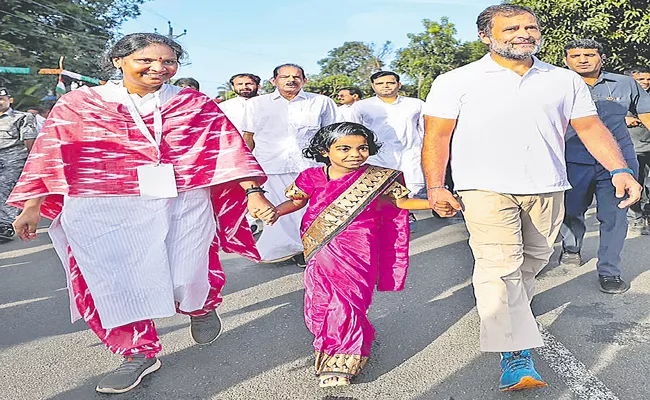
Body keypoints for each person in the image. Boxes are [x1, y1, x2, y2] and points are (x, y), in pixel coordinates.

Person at [8, 33, 276, 394]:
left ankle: (200, 304)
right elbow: (49, 153)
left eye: (168, 61)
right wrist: (32, 206)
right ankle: (137, 352)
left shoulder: (192, 103)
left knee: (187, 266)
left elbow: (226, 148)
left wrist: (253, 193)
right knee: (115, 280)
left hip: (181, 197)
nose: (159, 68)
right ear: (118, 61)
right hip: (100, 203)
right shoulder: (78, 103)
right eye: (146, 60)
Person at [422, 4, 641, 392]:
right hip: (483, 186)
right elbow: (437, 136)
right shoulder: (456, 80)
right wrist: (436, 185)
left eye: (530, 27)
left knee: (532, 262)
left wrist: (620, 169)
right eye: (511, 28)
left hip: (547, 185)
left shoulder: (562, 79)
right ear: (486, 36)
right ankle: (515, 353)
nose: (524, 33)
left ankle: (508, 313)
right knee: (499, 264)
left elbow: (589, 127)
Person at [266, 122, 446, 387]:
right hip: (320, 246)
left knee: (348, 300)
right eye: (344, 148)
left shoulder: (379, 177)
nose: (355, 154)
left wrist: (436, 202)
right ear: (324, 150)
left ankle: (344, 357)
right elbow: (297, 200)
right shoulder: (311, 177)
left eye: (362, 148)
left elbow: (401, 202)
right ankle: (334, 340)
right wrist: (275, 211)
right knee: (321, 298)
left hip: (361, 247)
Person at [561, 39, 650, 293]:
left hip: (618, 163)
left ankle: (609, 271)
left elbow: (646, 114)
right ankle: (571, 247)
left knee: (615, 216)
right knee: (571, 209)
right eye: (575, 55)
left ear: (602, 57)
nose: (582, 59)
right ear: (566, 60)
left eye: (589, 54)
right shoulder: (557, 85)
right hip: (573, 160)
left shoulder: (625, 84)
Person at [242, 63, 341, 266]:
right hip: (271, 165)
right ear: (274, 81)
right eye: (284, 76)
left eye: (296, 77)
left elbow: (332, 135)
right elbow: (248, 137)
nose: (291, 80)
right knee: (279, 212)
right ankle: (283, 249)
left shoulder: (321, 102)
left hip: (310, 166)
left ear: (304, 80)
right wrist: (245, 166)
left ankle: (311, 249)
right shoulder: (256, 104)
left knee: (312, 210)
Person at [350, 71, 426, 231]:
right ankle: (388, 221)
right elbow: (353, 131)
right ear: (373, 86)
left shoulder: (416, 104)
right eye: (380, 83)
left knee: (412, 189)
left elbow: (424, 129)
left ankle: (404, 216)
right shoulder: (362, 106)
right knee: (379, 191)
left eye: (390, 83)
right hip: (377, 156)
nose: (385, 86)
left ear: (399, 84)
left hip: (409, 153)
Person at [0, 87, 37, 243]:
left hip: (13, 159)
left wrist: (32, 161)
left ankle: (6, 225)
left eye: (1, 99)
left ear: (10, 100)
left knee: (3, 187)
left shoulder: (22, 117)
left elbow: (29, 141)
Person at [624, 66, 650, 234]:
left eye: (648, 79)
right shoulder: (621, 98)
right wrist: (623, 118)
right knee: (636, 184)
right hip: (633, 148)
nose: (646, 82)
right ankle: (636, 218)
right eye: (641, 79)